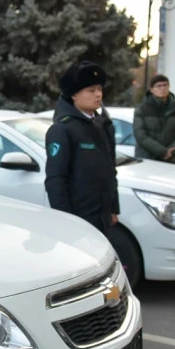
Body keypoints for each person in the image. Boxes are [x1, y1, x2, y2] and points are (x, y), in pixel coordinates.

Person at [45, 60, 119, 235]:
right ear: (74, 95)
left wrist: (113, 208)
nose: (98, 95)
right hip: (79, 219)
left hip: (103, 218)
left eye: (100, 89)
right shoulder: (62, 129)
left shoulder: (103, 125)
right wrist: (67, 221)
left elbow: (110, 171)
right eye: (91, 91)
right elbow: (55, 180)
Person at [132, 74, 175, 163]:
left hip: (169, 159)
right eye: (159, 86)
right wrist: (162, 151)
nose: (162, 88)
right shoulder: (142, 109)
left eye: (165, 85)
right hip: (147, 158)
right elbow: (140, 134)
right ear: (152, 90)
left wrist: (171, 151)